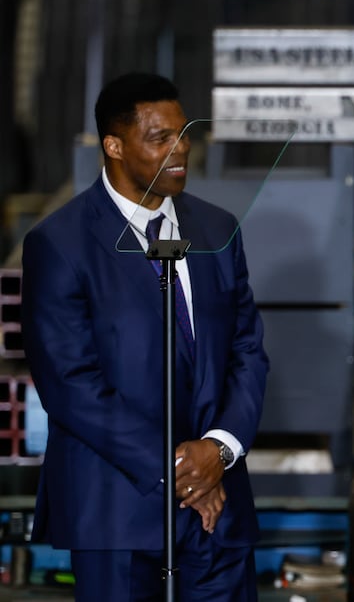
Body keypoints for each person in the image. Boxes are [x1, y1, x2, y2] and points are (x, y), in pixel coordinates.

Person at [21, 73, 268, 599]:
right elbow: (70, 384)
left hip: (217, 511)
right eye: (160, 139)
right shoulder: (59, 244)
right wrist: (181, 471)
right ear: (114, 146)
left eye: (185, 134)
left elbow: (247, 351)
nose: (180, 151)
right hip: (117, 512)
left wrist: (218, 451)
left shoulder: (217, 229)